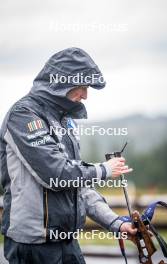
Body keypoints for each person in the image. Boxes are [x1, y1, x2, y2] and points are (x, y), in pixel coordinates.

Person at [0, 47, 136, 264]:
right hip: (33, 246)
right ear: (60, 82)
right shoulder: (24, 114)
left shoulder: (65, 122)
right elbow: (55, 174)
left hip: (67, 242)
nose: (85, 95)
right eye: (81, 87)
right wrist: (105, 169)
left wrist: (116, 223)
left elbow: (79, 186)